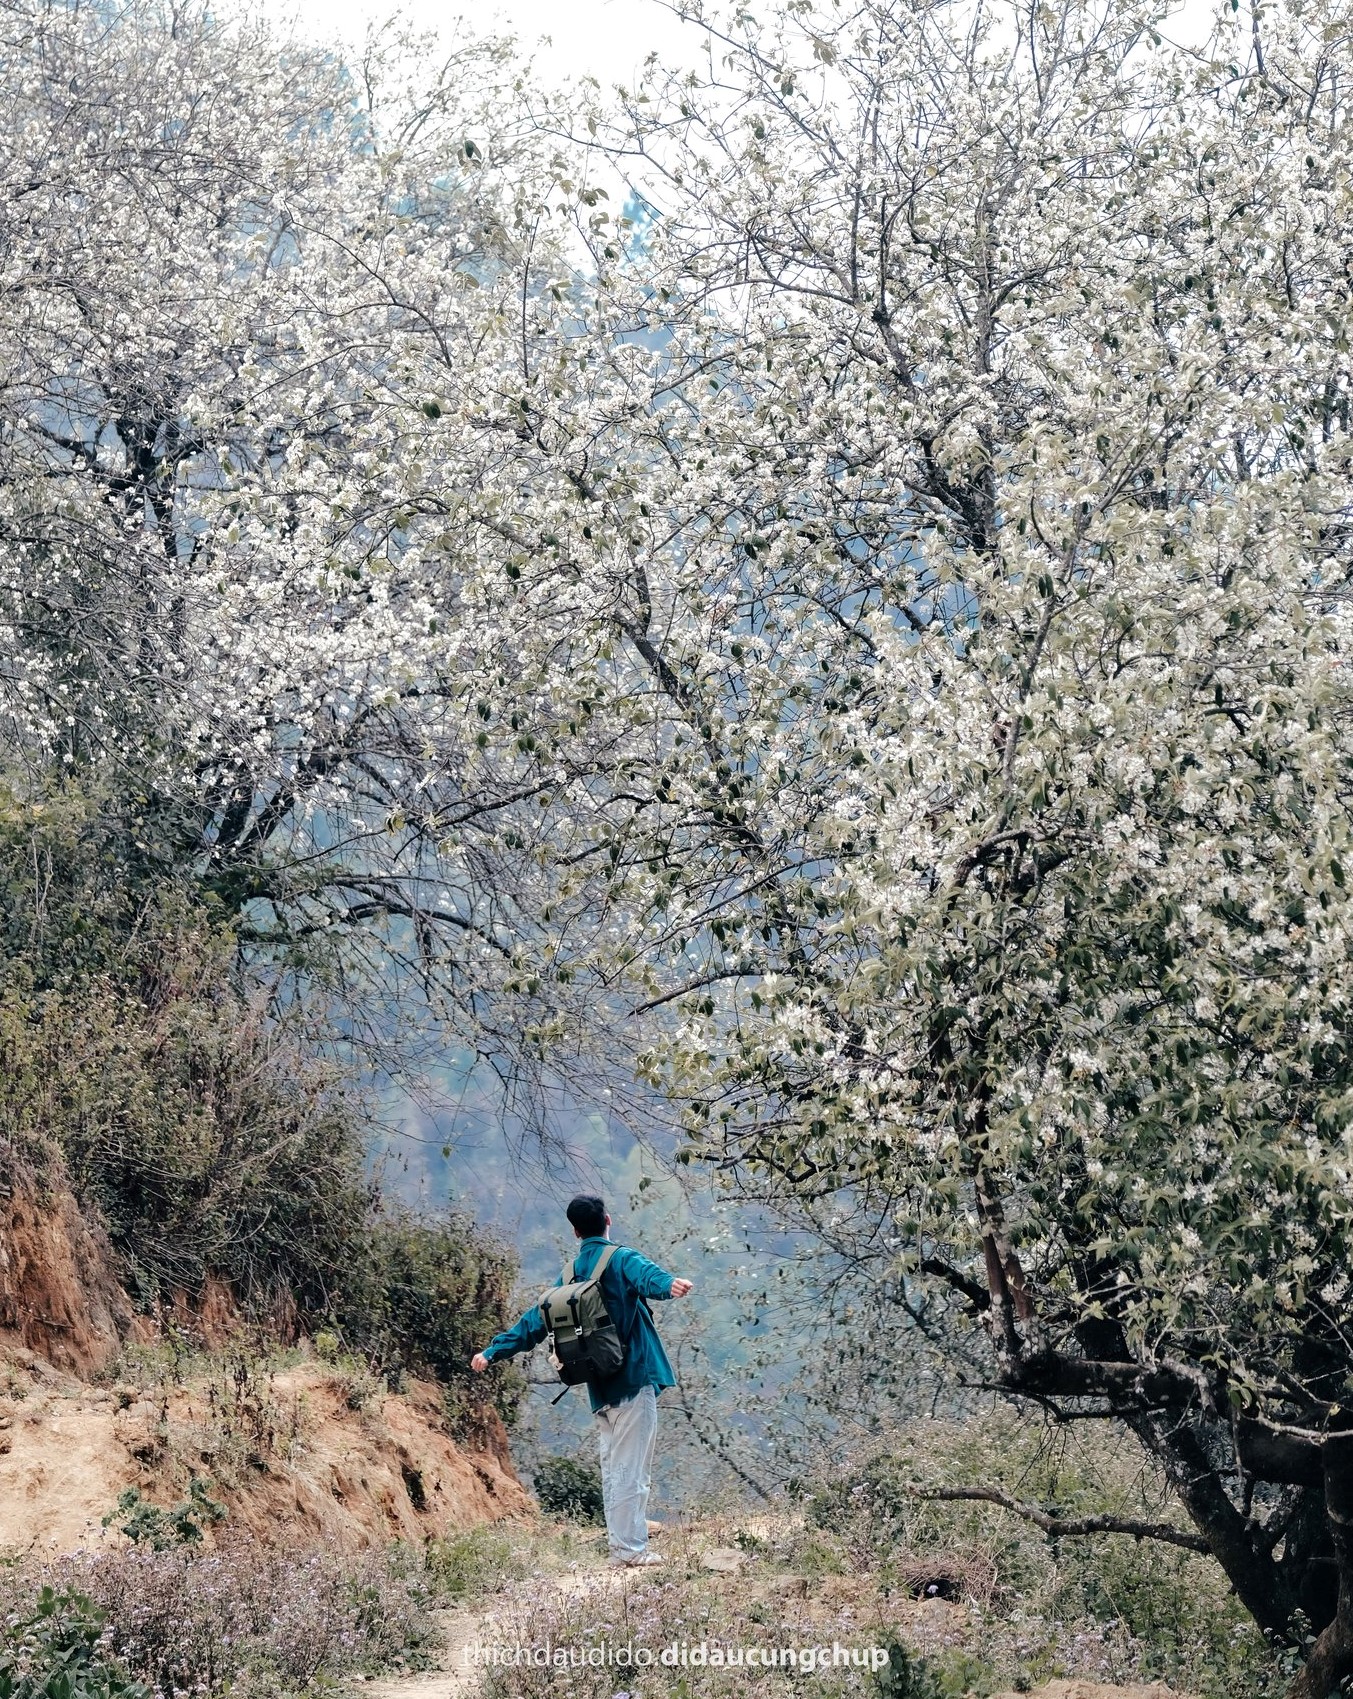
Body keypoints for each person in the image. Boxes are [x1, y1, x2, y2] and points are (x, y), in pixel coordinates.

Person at [471, 1194, 693, 1567]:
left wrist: (493, 1351)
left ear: (575, 1232)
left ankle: (622, 1547)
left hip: (598, 1386)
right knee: (632, 1471)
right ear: (608, 1220)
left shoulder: (570, 1274)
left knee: (615, 1471)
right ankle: (630, 1551)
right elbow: (648, 1276)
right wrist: (670, 1284)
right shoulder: (620, 1258)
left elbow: (534, 1321)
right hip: (633, 1379)